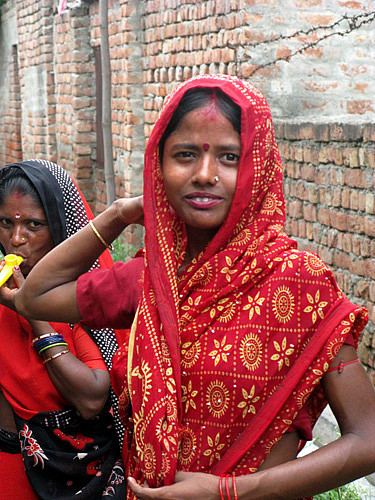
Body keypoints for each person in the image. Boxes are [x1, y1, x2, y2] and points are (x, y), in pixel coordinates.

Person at [14, 76, 375, 500]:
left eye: (229, 157)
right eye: (184, 155)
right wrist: (119, 214)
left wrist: (232, 491)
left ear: (257, 168)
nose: (205, 174)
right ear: (158, 164)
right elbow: (32, 296)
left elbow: (367, 440)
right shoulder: (152, 278)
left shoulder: (300, 284)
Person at [0, 159, 126, 499]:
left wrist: (31, 311)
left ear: (58, 228)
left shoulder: (83, 298)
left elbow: (91, 399)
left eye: (33, 225)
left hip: (84, 472)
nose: (16, 239)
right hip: (12, 468)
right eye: (5, 223)